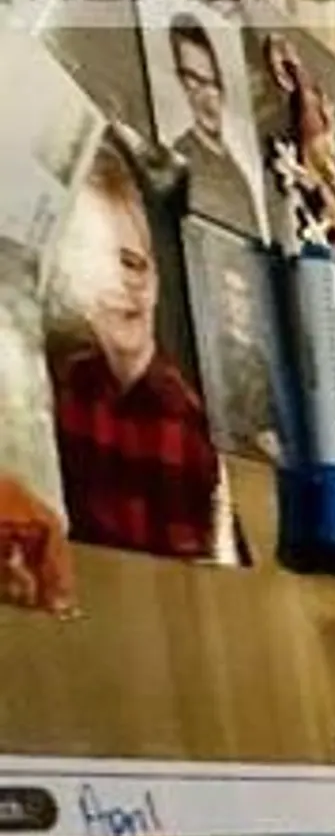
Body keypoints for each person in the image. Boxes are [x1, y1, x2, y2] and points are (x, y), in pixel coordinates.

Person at [48, 139, 223, 560]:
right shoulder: (68, 394)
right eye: (97, 264)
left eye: (132, 263)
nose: (122, 288)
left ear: (156, 278)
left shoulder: (188, 418)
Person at [157, 12, 261, 238]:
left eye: (212, 82)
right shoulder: (183, 157)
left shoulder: (236, 164)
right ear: (180, 82)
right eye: (193, 81)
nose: (207, 96)